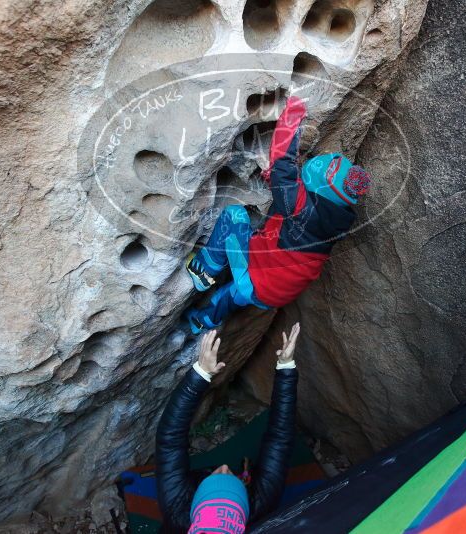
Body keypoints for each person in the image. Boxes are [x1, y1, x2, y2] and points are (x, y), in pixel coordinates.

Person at [184, 96, 372, 334]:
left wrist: (292, 115)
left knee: (235, 217)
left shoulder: (300, 205)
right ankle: (200, 322)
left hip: (255, 281)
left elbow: (283, 161)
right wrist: (278, 184)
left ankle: (203, 270)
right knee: (231, 297)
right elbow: (294, 220)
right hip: (276, 295)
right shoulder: (338, 221)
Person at [155, 323, 301, 533]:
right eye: (235, 481)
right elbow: (280, 439)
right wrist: (286, 367)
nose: (224, 467)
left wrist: (200, 374)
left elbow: (169, 440)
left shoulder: (176, 506)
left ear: (195, 502)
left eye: (214, 478)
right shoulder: (261, 503)